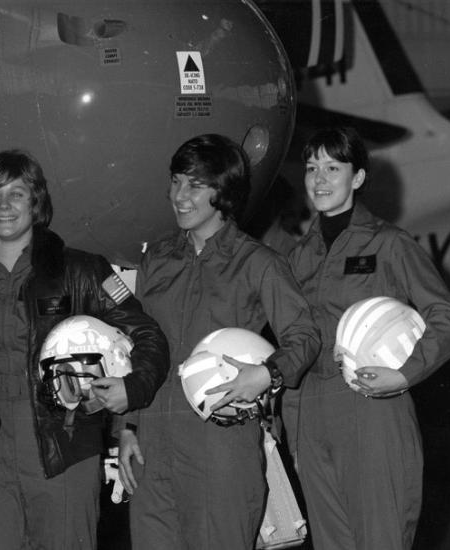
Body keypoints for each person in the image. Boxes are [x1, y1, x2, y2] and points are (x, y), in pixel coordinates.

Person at [0, 149, 169, 550]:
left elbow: (147, 336)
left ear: (36, 201)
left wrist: (131, 390)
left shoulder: (82, 271)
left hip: (62, 456)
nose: (4, 205)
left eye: (17, 194)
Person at [117, 134, 321, 550]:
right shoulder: (156, 260)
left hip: (221, 447)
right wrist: (127, 428)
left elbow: (304, 336)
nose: (179, 196)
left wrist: (267, 374)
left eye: (195, 185)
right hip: (151, 447)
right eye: (175, 181)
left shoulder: (257, 263)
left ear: (223, 192)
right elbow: (138, 348)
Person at [287, 126, 450, 550]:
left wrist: (404, 375)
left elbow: (447, 317)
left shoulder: (390, 244)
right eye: (312, 167)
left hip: (373, 410)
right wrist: (294, 433)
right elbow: (293, 342)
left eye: (333, 167)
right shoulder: (296, 257)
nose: (320, 178)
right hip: (311, 419)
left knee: (381, 539)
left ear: (358, 178)